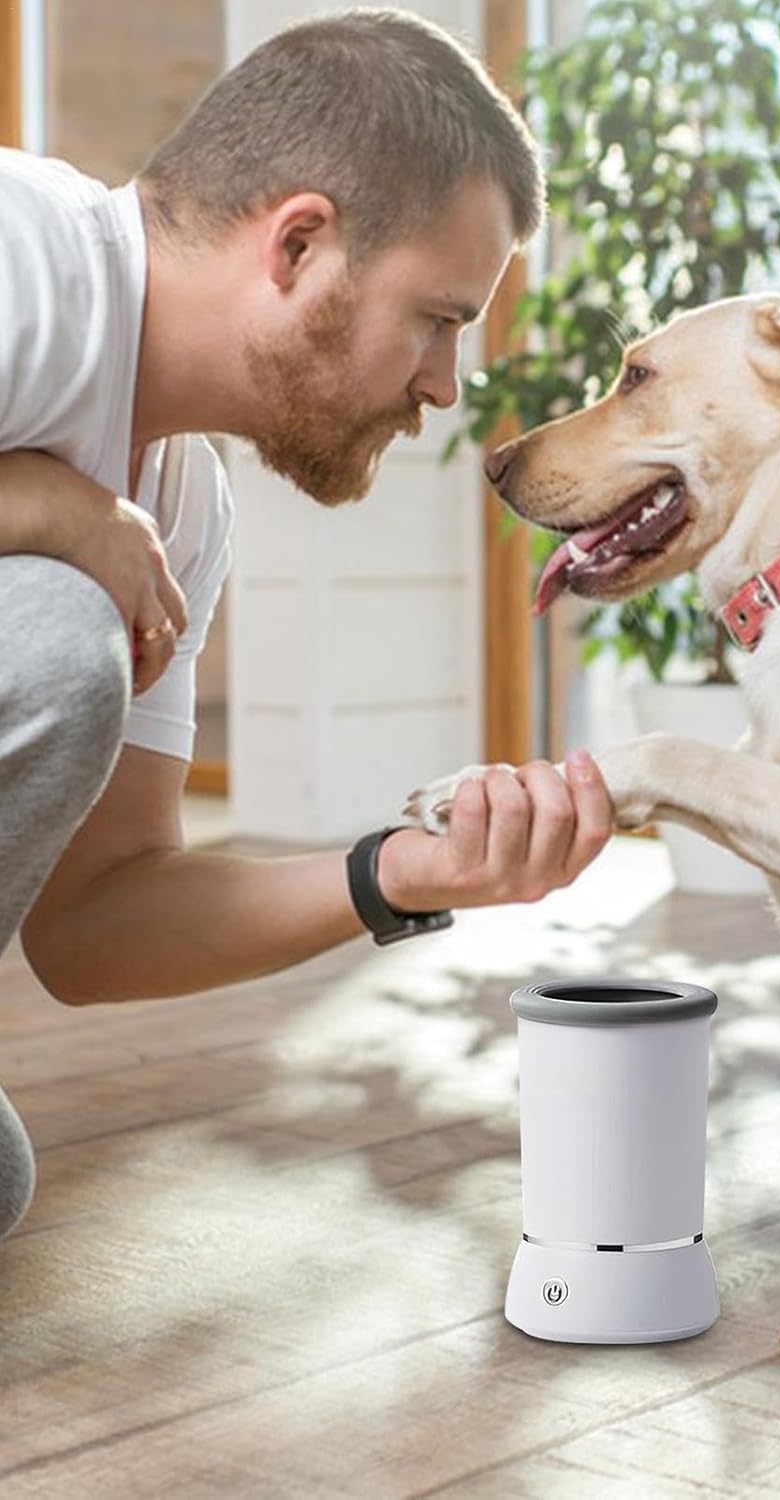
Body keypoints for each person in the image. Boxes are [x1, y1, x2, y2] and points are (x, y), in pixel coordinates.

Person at [0, 10, 615, 1240]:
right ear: (299, 244)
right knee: (66, 632)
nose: (445, 385)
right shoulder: (23, 263)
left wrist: (392, 874)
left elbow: (93, 923)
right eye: (438, 318)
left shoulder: (181, 504)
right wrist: (45, 507)